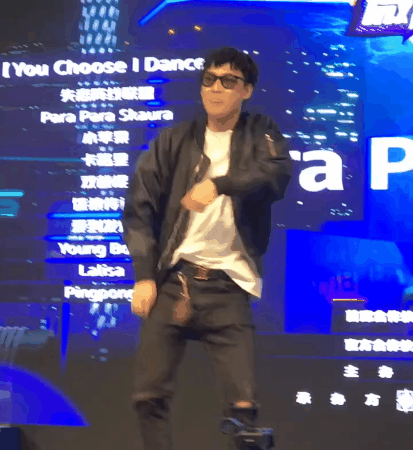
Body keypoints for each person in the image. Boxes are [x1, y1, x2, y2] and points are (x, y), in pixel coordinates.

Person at [122, 46, 293, 450]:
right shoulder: (174, 140)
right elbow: (138, 209)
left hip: (228, 284)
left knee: (243, 409)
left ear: (246, 90)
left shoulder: (260, 132)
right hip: (174, 282)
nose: (216, 88)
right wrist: (144, 276)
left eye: (228, 81)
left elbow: (276, 174)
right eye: (209, 79)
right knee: (148, 396)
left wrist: (219, 184)